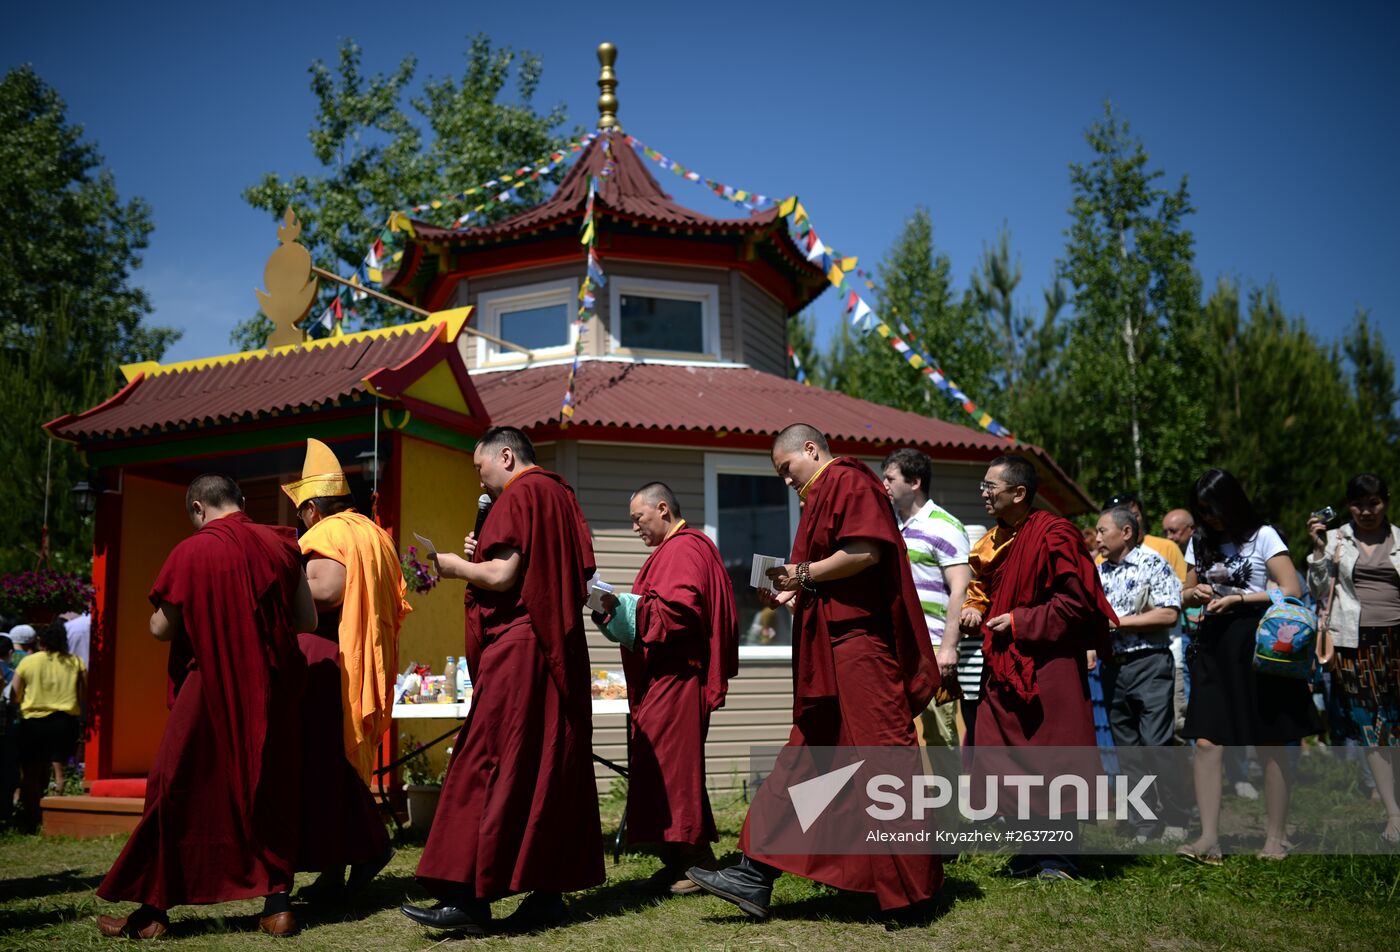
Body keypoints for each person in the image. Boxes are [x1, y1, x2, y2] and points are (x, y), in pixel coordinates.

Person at [686, 424, 942, 919]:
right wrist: (790, 591)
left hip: (865, 649)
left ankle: (912, 889)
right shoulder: (818, 496)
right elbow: (826, 570)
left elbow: (867, 552)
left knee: (884, 760)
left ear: (811, 449)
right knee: (808, 757)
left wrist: (802, 573)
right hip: (831, 650)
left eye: (786, 469)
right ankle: (754, 872)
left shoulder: (849, 480)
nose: (785, 480)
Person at [96, 474, 316, 939]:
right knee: (267, 787)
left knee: (174, 787)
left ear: (198, 508)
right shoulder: (282, 544)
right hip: (270, 688)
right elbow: (306, 619)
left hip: (208, 685)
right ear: (238, 502)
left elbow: (161, 629)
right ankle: (278, 907)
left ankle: (153, 913)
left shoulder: (191, 551)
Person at [404, 426, 603, 935]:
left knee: (485, 761)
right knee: (543, 766)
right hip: (558, 647)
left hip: (520, 648)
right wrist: (485, 550)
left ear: (507, 456)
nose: (481, 478)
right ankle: (546, 897)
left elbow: (503, 577)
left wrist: (452, 566)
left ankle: (468, 897)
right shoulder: (562, 496)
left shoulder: (522, 494)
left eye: (480, 467)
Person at [959, 454, 1116, 878]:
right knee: (999, 759)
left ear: (1019, 492)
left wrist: (1021, 620)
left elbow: (1077, 603)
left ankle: (1059, 858)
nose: (984, 493)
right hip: (1004, 664)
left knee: (1053, 763)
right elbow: (985, 591)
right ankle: (1029, 851)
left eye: (991, 486)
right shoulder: (992, 541)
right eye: (983, 486)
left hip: (1049, 664)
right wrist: (976, 612)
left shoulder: (1054, 533)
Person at [592, 482, 738, 894]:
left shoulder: (686, 548)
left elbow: (678, 613)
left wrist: (617, 606)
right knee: (659, 766)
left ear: (662, 509)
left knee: (676, 771)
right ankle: (675, 860)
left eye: (638, 519)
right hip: (664, 678)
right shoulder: (676, 549)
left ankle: (697, 861)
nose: (635, 528)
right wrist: (614, 610)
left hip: (678, 677)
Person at [281, 438, 407, 902]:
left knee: (322, 764)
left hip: (327, 659)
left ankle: (369, 847)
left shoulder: (327, 533)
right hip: (360, 659)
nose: (299, 521)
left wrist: (276, 585)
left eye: (300, 512)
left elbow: (329, 590)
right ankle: (334, 870)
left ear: (314, 508)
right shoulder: (374, 533)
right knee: (333, 765)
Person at [1176, 468, 1319, 864]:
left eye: (1214, 509)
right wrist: (1194, 592)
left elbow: (1292, 588)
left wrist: (1239, 599)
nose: (1209, 518)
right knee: (1205, 739)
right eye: (1202, 510)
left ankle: (1276, 837)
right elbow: (1185, 593)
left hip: (1259, 645)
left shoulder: (1264, 535)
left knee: (1269, 741)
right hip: (1212, 644)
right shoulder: (1200, 540)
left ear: (1232, 502)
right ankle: (1208, 839)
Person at [1306, 472, 1400, 841]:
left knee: (1396, 724)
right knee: (1370, 727)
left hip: (1397, 641)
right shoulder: (1335, 540)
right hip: (1352, 643)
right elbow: (1317, 590)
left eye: (1374, 502)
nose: (1367, 511)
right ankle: (1393, 813)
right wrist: (1316, 551)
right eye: (1359, 504)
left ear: (1386, 501)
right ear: (1348, 506)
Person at [1095, 505, 1190, 842]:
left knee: (1156, 744)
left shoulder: (1153, 562)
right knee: (1128, 751)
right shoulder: (1099, 572)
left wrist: (1118, 622)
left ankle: (1178, 817)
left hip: (1150, 664)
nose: (1097, 538)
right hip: (1113, 669)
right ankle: (1144, 824)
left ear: (1126, 532)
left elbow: (1168, 615)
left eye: (1102, 531)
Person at [882, 448, 971, 747]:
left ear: (915, 482)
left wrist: (948, 648)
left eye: (890, 478)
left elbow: (960, 589)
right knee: (893, 726)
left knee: (939, 733)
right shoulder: (886, 524)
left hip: (931, 644)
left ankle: (948, 796)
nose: (884, 485)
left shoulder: (944, 525)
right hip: (893, 642)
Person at [11, 620, 86, 831]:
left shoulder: (28, 662)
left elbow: (15, 693)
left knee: (31, 771)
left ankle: (31, 817)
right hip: (64, 721)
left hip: (33, 722)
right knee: (59, 770)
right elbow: (83, 694)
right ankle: (57, 821)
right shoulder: (76, 662)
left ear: (41, 641)